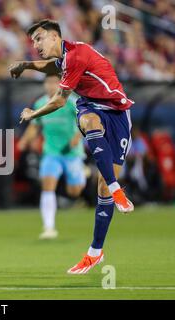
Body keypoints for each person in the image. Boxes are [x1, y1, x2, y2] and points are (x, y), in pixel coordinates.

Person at [9, 19, 134, 274]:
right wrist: (26, 65)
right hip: (90, 106)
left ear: (55, 37)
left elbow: (58, 101)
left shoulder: (76, 56)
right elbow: (49, 67)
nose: (36, 44)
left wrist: (34, 114)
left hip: (119, 114)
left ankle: (95, 253)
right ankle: (116, 189)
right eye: (33, 40)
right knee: (88, 120)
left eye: (39, 38)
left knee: (100, 189)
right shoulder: (65, 58)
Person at [18, 74, 85, 240]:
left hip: (71, 153)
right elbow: (35, 125)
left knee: (74, 191)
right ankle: (49, 227)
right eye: (48, 82)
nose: (51, 86)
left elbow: (84, 120)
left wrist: (78, 136)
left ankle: (84, 175)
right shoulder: (41, 104)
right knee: (48, 186)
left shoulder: (72, 101)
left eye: (55, 82)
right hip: (51, 152)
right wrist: (25, 141)